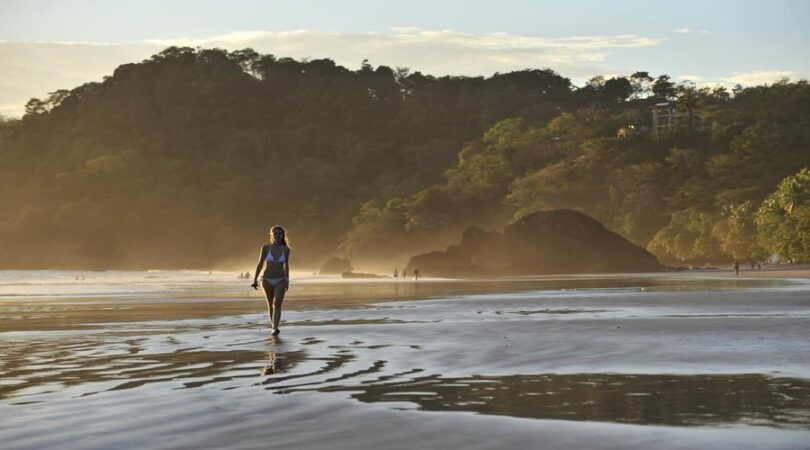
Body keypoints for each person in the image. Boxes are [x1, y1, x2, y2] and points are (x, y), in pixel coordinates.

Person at [252, 226, 291, 335]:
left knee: (277, 303)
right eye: (275, 234)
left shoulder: (286, 249)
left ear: (283, 236)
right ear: (271, 235)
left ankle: (275, 327)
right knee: (270, 304)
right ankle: (273, 326)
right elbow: (260, 263)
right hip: (266, 279)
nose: (277, 236)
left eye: (279, 234)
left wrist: (287, 279)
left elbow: (286, 266)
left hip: (281, 279)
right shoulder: (265, 248)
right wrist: (255, 279)